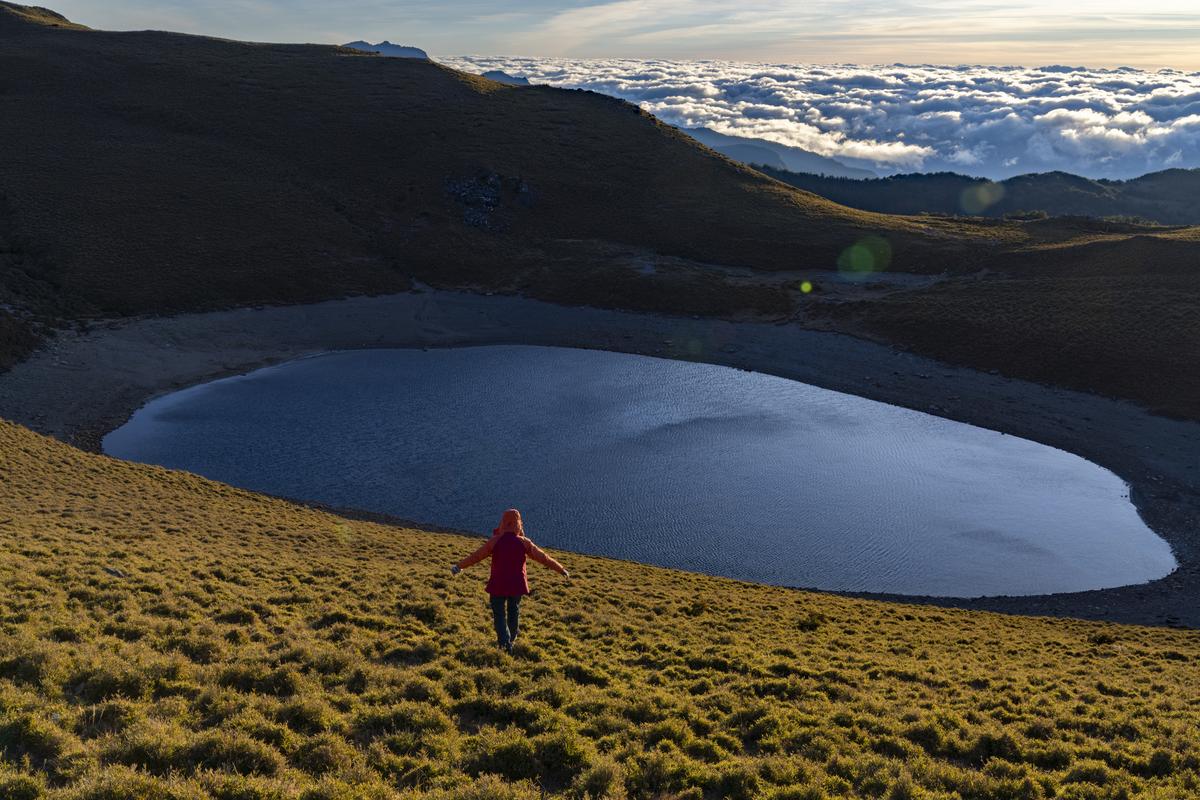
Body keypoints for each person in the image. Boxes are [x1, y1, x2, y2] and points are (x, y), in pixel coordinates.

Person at [451, 508, 569, 652]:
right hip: (517, 585)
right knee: (514, 611)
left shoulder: (495, 541)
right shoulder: (525, 543)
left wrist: (459, 567)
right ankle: (511, 639)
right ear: (519, 524)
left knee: (499, 614)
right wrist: (561, 569)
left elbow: (476, 556)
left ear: (503, 522)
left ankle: (504, 644)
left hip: (497, 584)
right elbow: (543, 558)